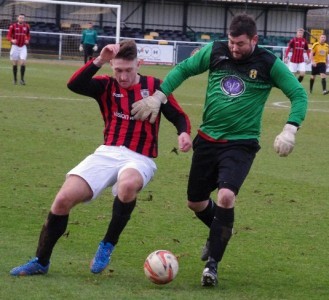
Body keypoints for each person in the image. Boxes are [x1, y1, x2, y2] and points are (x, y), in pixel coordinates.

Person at [131, 13, 308, 287]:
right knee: (195, 202)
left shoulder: (268, 63)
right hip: (207, 139)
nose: (234, 48)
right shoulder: (216, 51)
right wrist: (159, 96)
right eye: (231, 42)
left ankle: (211, 266)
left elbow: (298, 94)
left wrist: (290, 129)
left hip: (241, 143)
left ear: (254, 40)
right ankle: (222, 229)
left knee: (226, 196)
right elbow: (184, 69)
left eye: (240, 43)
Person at [10, 40, 192, 276]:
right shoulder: (106, 85)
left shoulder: (155, 87)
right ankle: (41, 261)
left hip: (140, 158)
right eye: (118, 70)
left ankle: (107, 244)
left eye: (128, 70)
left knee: (126, 186)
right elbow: (74, 84)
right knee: (62, 199)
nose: (123, 76)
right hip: (107, 152)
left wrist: (184, 133)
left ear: (139, 63)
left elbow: (178, 116)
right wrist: (99, 60)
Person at [6, 13, 30, 85]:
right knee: (15, 63)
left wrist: (27, 40)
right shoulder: (13, 26)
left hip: (23, 47)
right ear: (17, 18)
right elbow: (8, 36)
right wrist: (12, 40)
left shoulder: (27, 26)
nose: (21, 19)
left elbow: (28, 35)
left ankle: (22, 80)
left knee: (22, 62)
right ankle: (15, 79)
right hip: (15, 47)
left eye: (23, 18)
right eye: (20, 18)